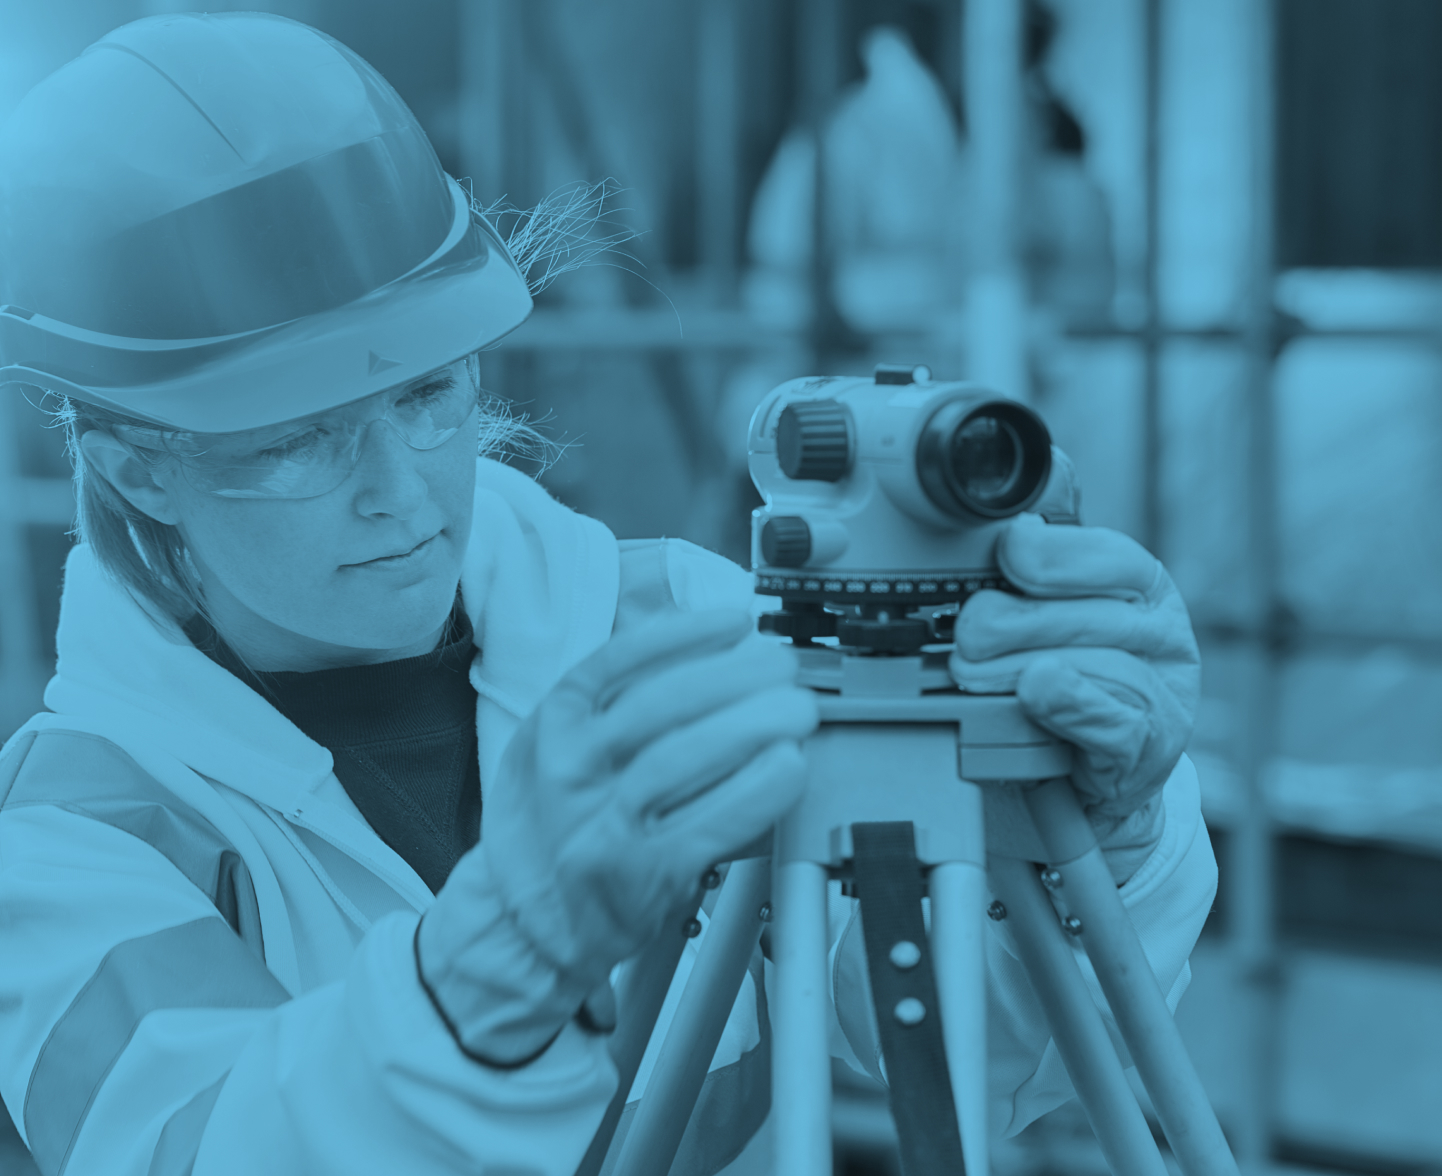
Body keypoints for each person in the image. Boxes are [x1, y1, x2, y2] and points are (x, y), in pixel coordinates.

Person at [0, 13, 1216, 1176]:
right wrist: (487, 974)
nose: (399, 491)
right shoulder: (67, 843)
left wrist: (1091, 839)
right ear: (135, 465)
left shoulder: (678, 633)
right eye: (296, 439)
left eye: (427, 392)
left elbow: (965, 1056)